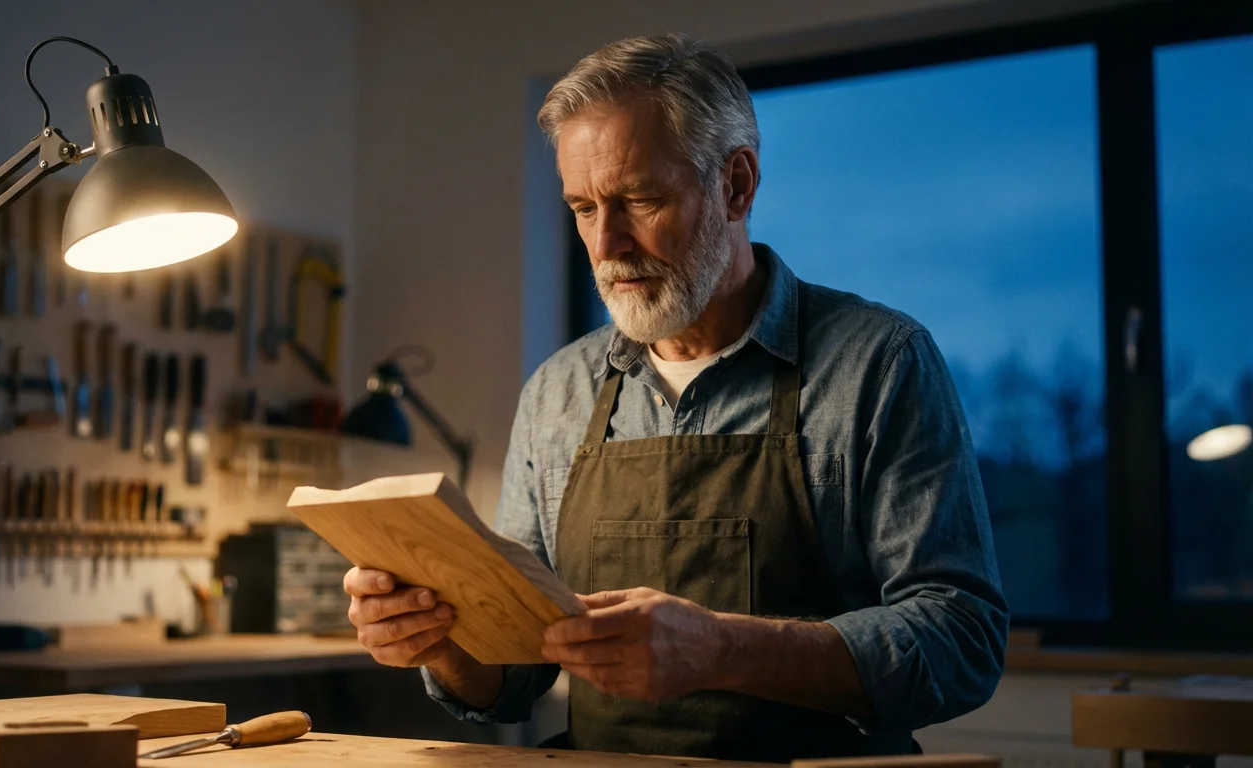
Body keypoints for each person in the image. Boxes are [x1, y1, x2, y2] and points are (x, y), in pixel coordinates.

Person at [342, 33, 1009, 763]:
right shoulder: (558, 393)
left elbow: (961, 641)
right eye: (582, 208)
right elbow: (515, 675)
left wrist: (725, 648)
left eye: (638, 199)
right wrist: (442, 644)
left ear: (737, 185)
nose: (606, 243)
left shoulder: (879, 364)